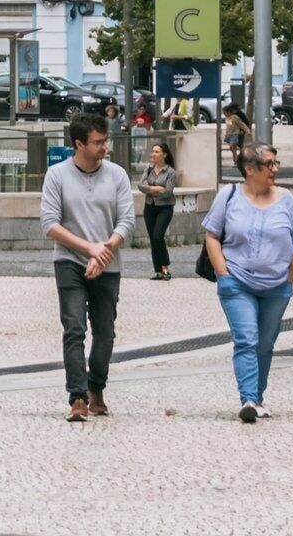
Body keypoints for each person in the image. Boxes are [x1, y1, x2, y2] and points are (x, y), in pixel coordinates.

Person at [201, 140, 293, 421]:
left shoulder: (287, 199)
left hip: (276, 286)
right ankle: (248, 399)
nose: (275, 169)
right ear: (250, 169)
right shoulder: (229, 195)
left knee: (266, 343)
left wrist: (289, 280)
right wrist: (223, 273)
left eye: (276, 163)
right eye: (269, 164)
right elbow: (212, 234)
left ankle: (258, 396)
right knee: (247, 339)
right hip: (237, 282)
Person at [39, 111, 134, 421]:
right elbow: (50, 224)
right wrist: (88, 248)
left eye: (105, 140)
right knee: (74, 328)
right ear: (78, 144)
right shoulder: (57, 175)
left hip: (108, 263)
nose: (104, 147)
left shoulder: (117, 175)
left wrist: (104, 251)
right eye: (97, 142)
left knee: (105, 333)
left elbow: (126, 221)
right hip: (69, 261)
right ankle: (77, 396)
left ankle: (96, 388)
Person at [139, 137, 182, 280]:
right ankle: (157, 271)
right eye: (153, 152)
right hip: (149, 207)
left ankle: (165, 268)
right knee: (153, 239)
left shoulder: (170, 172)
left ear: (164, 154)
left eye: (157, 152)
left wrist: (149, 189)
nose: (153, 154)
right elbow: (140, 186)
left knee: (158, 236)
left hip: (165, 207)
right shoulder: (148, 169)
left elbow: (168, 192)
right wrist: (156, 188)